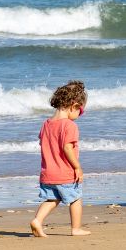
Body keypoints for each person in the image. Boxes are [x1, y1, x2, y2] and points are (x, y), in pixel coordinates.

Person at [29, 80, 91, 238]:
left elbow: (43, 143)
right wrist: (77, 167)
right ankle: (76, 228)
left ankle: (37, 220)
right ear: (73, 105)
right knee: (76, 198)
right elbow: (67, 147)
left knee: (52, 199)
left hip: (48, 173)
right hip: (65, 173)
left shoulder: (46, 124)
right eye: (81, 111)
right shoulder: (69, 126)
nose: (79, 115)